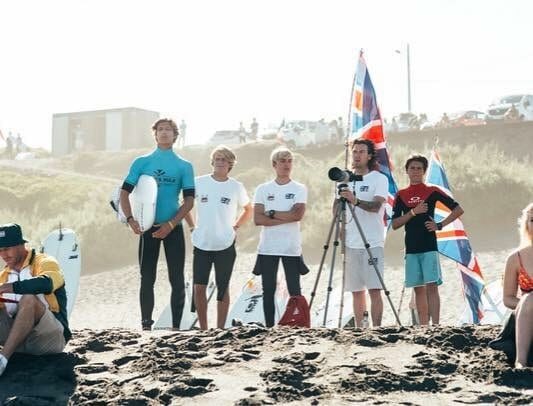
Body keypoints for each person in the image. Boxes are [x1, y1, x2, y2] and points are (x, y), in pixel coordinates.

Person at [120, 118, 195, 331]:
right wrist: (130, 219)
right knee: (147, 277)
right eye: (160, 129)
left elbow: (189, 201)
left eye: (168, 130)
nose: (164, 133)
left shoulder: (184, 166)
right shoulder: (142, 162)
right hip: (147, 227)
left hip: (172, 227)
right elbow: (125, 193)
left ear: (175, 135)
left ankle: (176, 326)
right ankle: (146, 325)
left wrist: (171, 224)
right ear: (155, 134)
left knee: (177, 277)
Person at [392, 155, 464, 325]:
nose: (415, 171)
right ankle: (424, 327)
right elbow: (395, 224)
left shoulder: (431, 191)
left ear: (424, 171)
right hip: (411, 248)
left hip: (429, 246)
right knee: (418, 289)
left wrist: (439, 225)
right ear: (407, 171)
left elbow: (458, 209)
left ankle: (436, 325)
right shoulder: (401, 195)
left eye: (419, 168)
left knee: (432, 286)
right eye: (412, 168)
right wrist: (413, 212)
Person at [187, 145, 253, 329]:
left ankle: (220, 328)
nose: (219, 161)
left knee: (222, 287)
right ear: (212, 161)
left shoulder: (236, 186)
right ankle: (203, 328)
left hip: (225, 243)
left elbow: (249, 209)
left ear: (230, 163)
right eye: (217, 158)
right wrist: (192, 227)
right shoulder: (199, 182)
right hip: (202, 242)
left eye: (223, 159)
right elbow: (186, 204)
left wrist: (236, 226)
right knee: (199, 287)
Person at [0, 223, 71, 376]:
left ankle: (2, 361)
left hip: (49, 340)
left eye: (7, 248)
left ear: (21, 245)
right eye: (0, 251)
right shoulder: (3, 276)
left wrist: (10, 287)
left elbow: (48, 282)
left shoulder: (45, 261)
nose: (3, 255)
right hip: (18, 345)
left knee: (29, 299)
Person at [336, 138, 389, 327]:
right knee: (356, 290)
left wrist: (354, 200)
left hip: (372, 241)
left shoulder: (379, 178)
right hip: (351, 242)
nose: (357, 155)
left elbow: (376, 206)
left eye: (361, 152)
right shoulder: (344, 179)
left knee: (374, 289)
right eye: (354, 151)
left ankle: (377, 328)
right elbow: (336, 212)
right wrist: (340, 197)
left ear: (369, 155)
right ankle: (360, 328)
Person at [253, 146, 308, 327]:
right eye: (282, 161)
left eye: (289, 161)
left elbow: (297, 216)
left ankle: (297, 324)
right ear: (274, 164)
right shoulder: (263, 189)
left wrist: (272, 213)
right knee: (268, 290)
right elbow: (257, 219)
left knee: (294, 289)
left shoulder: (299, 188)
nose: (286, 164)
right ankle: (269, 326)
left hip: (291, 247)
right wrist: (286, 217)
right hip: (268, 247)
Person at [502, 203, 533, 368]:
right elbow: (507, 299)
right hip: (526, 314)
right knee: (529, 299)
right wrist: (527, 303)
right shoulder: (515, 258)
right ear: (526, 225)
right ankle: (521, 361)